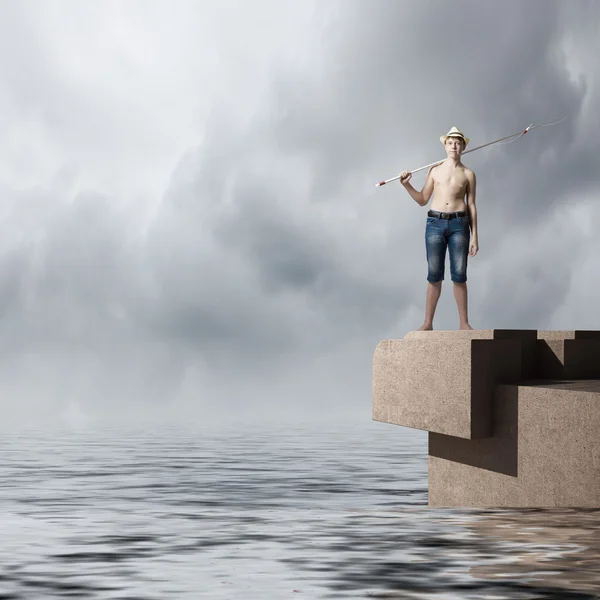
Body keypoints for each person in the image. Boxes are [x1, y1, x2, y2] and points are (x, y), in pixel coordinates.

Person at [399, 126, 478, 331]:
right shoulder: (434, 170)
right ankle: (428, 322)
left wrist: (475, 236)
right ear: (445, 145)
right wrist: (407, 185)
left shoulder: (469, 174)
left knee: (459, 274)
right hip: (435, 223)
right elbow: (423, 200)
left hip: (460, 224)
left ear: (463, 147)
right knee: (434, 274)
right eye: (450, 142)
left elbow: (471, 205)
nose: (454, 145)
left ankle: (464, 323)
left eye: (458, 142)